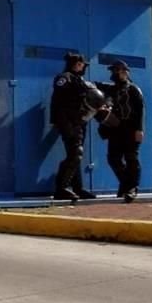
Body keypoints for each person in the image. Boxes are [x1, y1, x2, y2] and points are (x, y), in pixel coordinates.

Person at [49, 52, 98, 202]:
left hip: (79, 122)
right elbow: (58, 100)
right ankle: (61, 188)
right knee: (75, 154)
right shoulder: (65, 78)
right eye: (79, 63)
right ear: (73, 64)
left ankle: (78, 188)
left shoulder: (80, 80)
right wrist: (61, 122)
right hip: (68, 122)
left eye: (82, 64)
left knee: (76, 156)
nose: (82, 66)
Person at [97, 61, 145, 203]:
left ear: (126, 72)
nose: (116, 73)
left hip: (131, 127)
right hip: (116, 128)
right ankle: (126, 184)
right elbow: (95, 86)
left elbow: (141, 110)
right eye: (115, 71)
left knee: (131, 158)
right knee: (113, 158)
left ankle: (132, 188)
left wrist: (139, 129)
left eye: (119, 70)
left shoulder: (133, 89)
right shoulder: (111, 89)